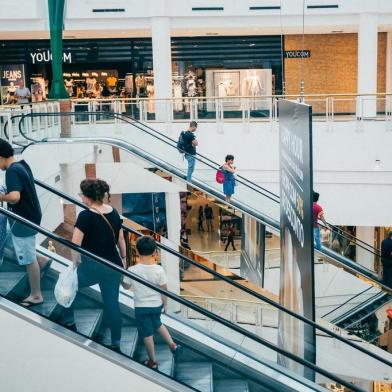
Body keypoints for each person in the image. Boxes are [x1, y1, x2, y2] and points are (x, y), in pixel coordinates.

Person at [62, 179, 126, 352]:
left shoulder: (85, 216)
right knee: (112, 304)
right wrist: (124, 259)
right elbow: (120, 239)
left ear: (87, 196)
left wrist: (76, 262)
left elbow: (75, 243)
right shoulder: (113, 212)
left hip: (93, 266)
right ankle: (116, 342)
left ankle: (70, 322)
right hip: (113, 265)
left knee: (68, 286)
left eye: (81, 194)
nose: (80, 197)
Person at [122, 236, 182, 369]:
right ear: (155, 252)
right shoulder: (159, 270)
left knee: (147, 333)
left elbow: (125, 286)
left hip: (141, 307)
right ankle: (173, 346)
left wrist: (122, 276)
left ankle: (153, 361)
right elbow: (164, 289)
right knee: (158, 323)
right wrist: (165, 304)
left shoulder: (132, 270)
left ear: (137, 251)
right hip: (156, 305)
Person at [0, 140, 45, 308]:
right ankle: (42, 261)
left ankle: (36, 295)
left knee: (28, 259)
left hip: (23, 221)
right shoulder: (22, 165)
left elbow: (15, 197)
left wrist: (1, 196)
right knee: (15, 243)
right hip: (31, 217)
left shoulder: (11, 171)